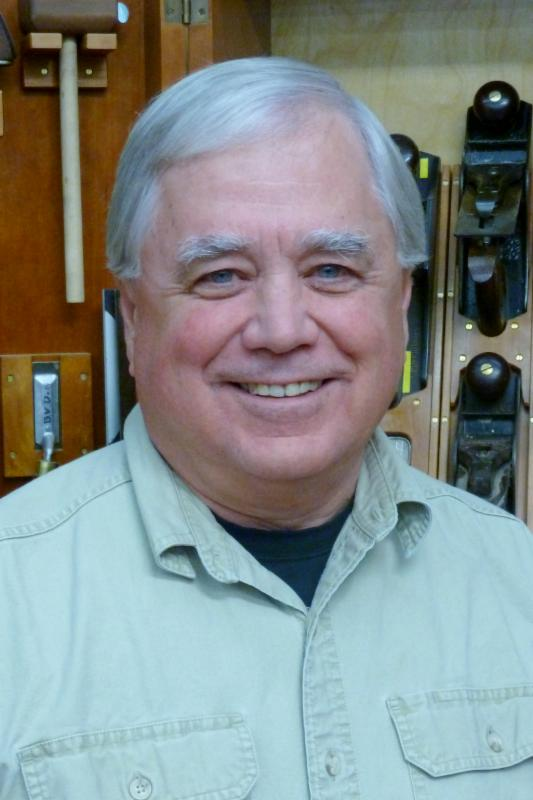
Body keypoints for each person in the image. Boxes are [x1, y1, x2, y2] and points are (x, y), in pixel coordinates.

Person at [2, 57, 533, 800]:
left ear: (400, 303)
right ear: (135, 318)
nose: (281, 331)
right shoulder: (14, 598)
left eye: (331, 270)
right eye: (220, 275)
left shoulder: (516, 576)